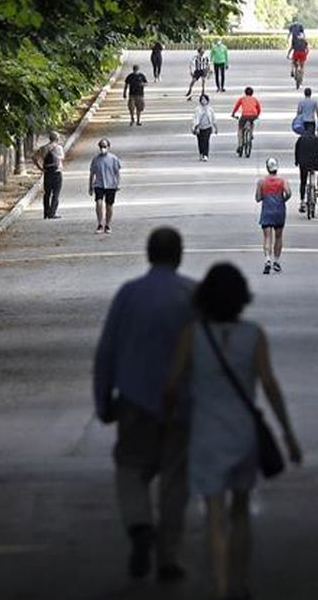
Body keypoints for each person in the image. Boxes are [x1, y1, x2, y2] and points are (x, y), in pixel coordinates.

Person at [165, 263, 302, 600]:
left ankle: (219, 586)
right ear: (242, 298)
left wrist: (169, 420)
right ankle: (239, 584)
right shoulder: (253, 335)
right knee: (241, 512)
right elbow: (269, 386)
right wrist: (288, 434)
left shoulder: (192, 335)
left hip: (206, 434)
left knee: (214, 515)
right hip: (243, 435)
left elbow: (171, 386)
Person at [93, 227, 195, 582]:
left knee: (130, 468)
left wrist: (103, 399)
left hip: (135, 400)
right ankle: (169, 557)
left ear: (149, 255)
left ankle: (138, 523)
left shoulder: (129, 295)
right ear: (179, 256)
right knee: (175, 480)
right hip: (182, 404)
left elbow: (107, 350)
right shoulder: (192, 295)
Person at [254, 158, 291, 274]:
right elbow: (288, 193)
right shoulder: (283, 181)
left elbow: (258, 198)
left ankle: (267, 260)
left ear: (267, 168)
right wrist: (282, 200)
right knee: (278, 237)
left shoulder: (262, 182)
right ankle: (277, 261)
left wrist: (265, 195)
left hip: (267, 211)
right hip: (279, 211)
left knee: (267, 237)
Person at [89, 138, 122, 233]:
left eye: (104, 146)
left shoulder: (113, 159)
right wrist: (90, 186)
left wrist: (118, 183)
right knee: (98, 203)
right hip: (99, 184)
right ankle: (100, 224)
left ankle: (107, 224)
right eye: (101, 146)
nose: (103, 148)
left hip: (111, 185)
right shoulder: (95, 159)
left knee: (109, 205)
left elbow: (117, 173)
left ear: (108, 147)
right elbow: (92, 173)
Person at [294, 121, 318, 214]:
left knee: (303, 182)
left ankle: (302, 201)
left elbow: (296, 151)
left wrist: (297, 161)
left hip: (303, 163)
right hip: (315, 162)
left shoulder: (301, 139)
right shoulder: (317, 139)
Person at [33, 132, 65, 219]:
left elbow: (34, 157)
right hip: (56, 172)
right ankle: (52, 213)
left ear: (50, 138)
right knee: (56, 193)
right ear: (57, 139)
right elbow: (61, 158)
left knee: (47, 193)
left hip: (47, 172)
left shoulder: (43, 148)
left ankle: (46, 212)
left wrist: (40, 168)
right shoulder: (58, 148)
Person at [231, 87, 262, 157]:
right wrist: (257, 115)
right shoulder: (255, 99)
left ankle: (240, 144)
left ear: (245, 93)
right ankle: (251, 133)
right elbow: (259, 108)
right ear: (252, 93)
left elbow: (236, 106)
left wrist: (233, 113)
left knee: (240, 129)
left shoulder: (242, 99)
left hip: (244, 116)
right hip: (253, 115)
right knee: (251, 123)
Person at [192, 94, 217, 162]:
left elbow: (213, 119)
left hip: (208, 127)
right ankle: (201, 153)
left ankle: (206, 155)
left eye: (205, 99)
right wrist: (194, 127)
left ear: (207, 101)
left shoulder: (210, 109)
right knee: (200, 141)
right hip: (199, 127)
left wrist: (215, 127)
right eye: (202, 99)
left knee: (206, 141)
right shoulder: (197, 109)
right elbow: (195, 119)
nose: (203, 101)